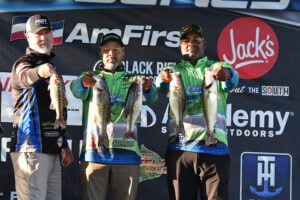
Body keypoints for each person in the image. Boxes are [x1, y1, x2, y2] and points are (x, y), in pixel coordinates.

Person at [156, 24, 239, 200]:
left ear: (204, 44)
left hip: (214, 148)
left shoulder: (217, 66)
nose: (190, 44)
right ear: (180, 45)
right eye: (186, 40)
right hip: (180, 147)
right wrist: (163, 79)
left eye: (196, 40)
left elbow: (232, 78)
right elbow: (160, 86)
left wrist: (226, 73)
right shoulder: (173, 71)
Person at [70, 33, 157, 200]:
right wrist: (82, 82)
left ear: (123, 54)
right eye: (106, 50)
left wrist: (148, 88)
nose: (111, 54)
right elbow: (76, 90)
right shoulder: (91, 76)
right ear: (100, 53)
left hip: (128, 154)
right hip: (94, 153)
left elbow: (152, 98)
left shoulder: (133, 79)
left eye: (116, 50)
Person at [10, 14, 74, 200]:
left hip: (52, 149)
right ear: (28, 36)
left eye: (47, 33)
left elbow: (57, 110)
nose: (43, 37)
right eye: (38, 34)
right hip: (30, 148)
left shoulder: (52, 68)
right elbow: (25, 77)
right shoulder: (23, 63)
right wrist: (39, 71)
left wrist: (64, 144)